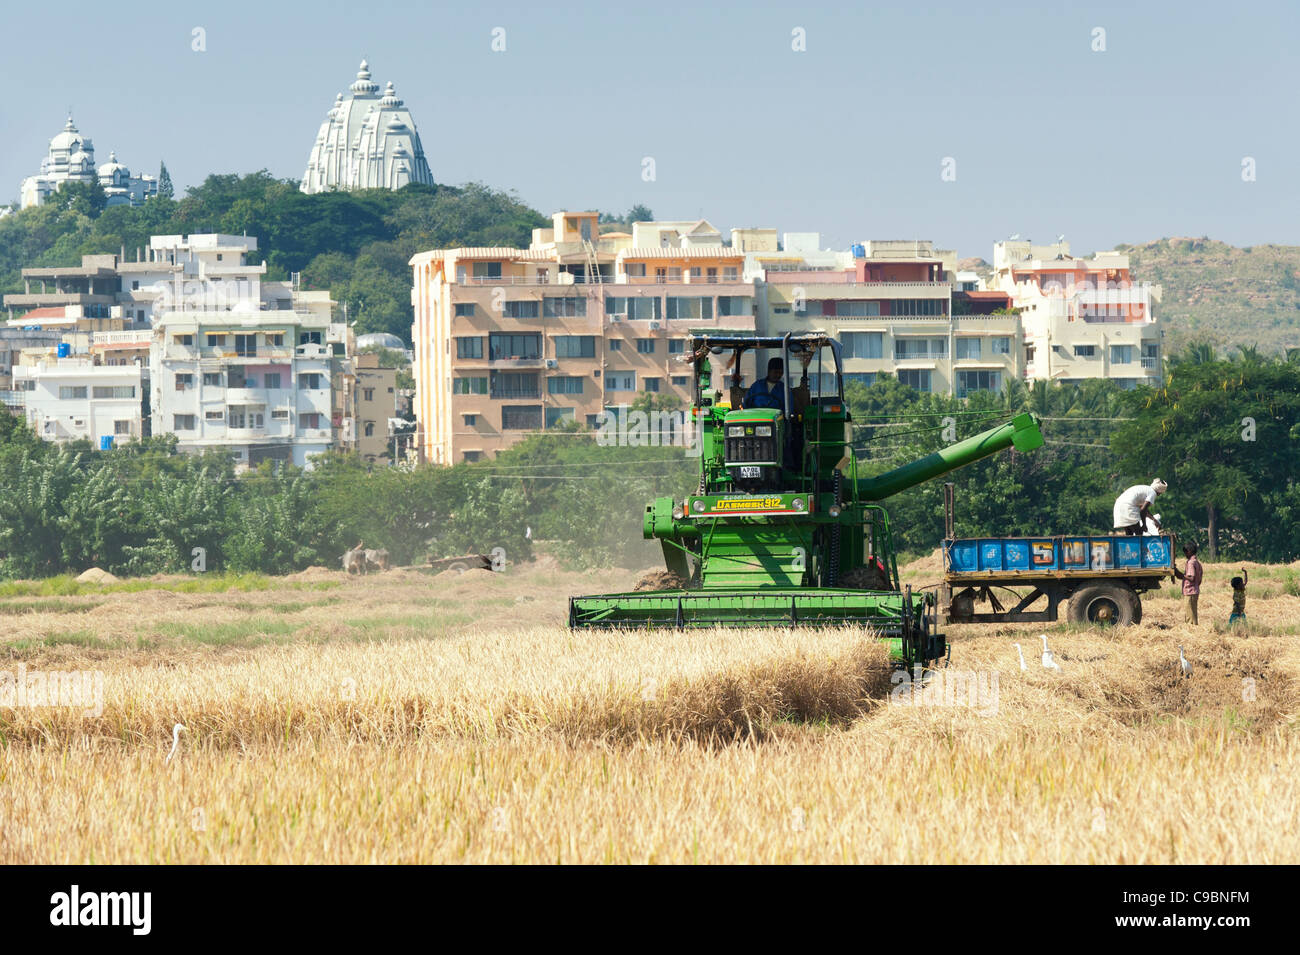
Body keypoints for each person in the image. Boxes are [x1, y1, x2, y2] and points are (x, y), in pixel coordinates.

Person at [1172, 542, 1203, 625]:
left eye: (1185, 552)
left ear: (1189, 551)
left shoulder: (1190, 563)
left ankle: (1191, 631)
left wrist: (1182, 575)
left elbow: (1191, 578)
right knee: (1193, 613)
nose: (1185, 554)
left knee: (1190, 615)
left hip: (1190, 591)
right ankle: (1194, 629)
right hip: (1194, 591)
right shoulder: (1197, 562)